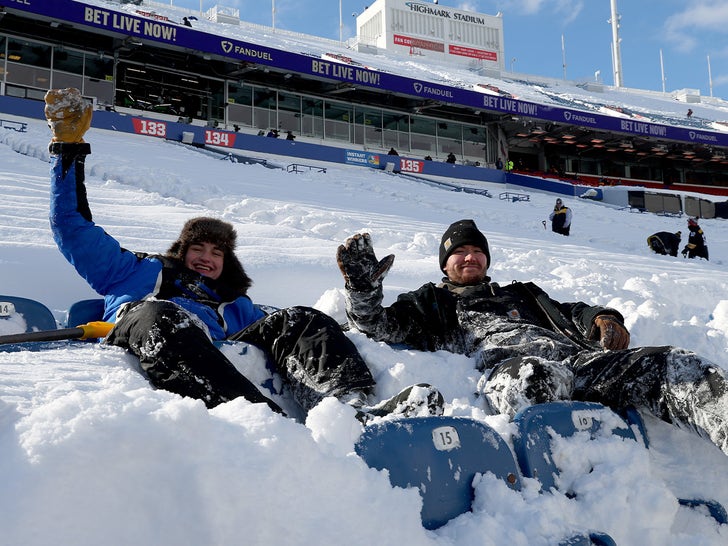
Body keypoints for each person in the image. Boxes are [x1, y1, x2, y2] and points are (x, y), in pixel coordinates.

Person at [44, 87, 440, 422]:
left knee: (300, 318)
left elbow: (293, 332)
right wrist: (68, 150)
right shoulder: (131, 271)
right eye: (196, 248)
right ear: (180, 253)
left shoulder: (233, 304)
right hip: (148, 325)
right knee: (162, 316)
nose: (205, 257)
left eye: (216, 252)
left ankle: (350, 410)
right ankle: (266, 423)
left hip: (212, 335)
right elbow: (70, 226)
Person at [336, 219, 728, 456]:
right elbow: (379, 326)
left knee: (675, 364)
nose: (469, 256)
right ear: (445, 262)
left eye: (477, 250)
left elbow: (574, 312)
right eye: (459, 252)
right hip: (510, 372)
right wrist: (362, 290)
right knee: (532, 376)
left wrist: (603, 318)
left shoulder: (524, 292)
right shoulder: (433, 300)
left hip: (580, 365)